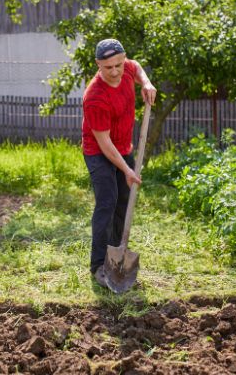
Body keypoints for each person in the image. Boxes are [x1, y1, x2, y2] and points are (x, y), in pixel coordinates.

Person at [82, 38, 156, 287]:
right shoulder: (94, 97)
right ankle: (98, 265)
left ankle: (117, 254)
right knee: (107, 201)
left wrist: (146, 83)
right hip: (99, 152)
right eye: (107, 67)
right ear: (98, 65)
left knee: (123, 200)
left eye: (118, 65)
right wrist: (126, 169)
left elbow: (136, 68)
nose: (114, 72)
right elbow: (104, 144)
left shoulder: (127, 69)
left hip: (123, 147)